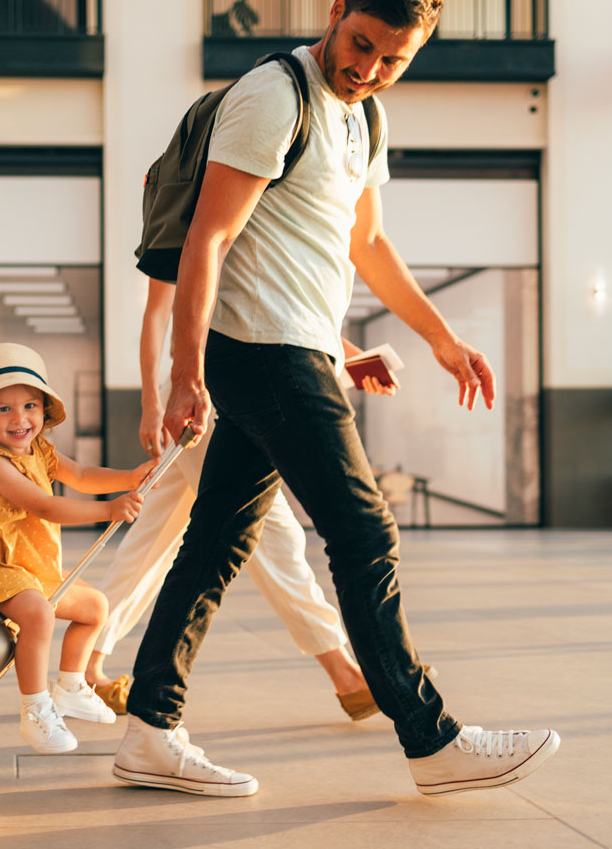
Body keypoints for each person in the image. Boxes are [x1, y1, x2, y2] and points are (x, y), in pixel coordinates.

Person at [111, 0, 559, 798]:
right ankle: (430, 738)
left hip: (301, 350)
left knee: (214, 543)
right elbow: (208, 238)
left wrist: (439, 337)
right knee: (362, 534)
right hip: (263, 351)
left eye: (394, 59)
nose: (368, 68)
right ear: (337, 7)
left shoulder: (364, 119)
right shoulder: (274, 96)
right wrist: (182, 369)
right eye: (360, 44)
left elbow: (364, 245)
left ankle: (148, 726)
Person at [86, 278, 392, 721]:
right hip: (196, 393)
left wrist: (354, 358)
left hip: (239, 385)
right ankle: (346, 676)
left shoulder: (252, 225)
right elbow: (157, 315)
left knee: (154, 537)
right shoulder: (190, 215)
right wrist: (152, 403)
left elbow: (273, 310)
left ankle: (84, 665)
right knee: (272, 532)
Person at [0, 343, 154, 754]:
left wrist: (129, 477)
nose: (19, 418)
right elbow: (44, 506)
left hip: (29, 567)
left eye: (29, 405)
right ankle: (34, 709)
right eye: (2, 409)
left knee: (95, 607)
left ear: (43, 410)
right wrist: (109, 509)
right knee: (39, 613)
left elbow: (81, 475)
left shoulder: (40, 451)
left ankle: (73, 685)